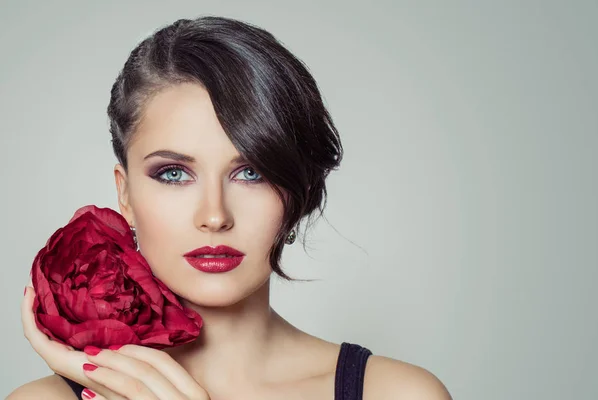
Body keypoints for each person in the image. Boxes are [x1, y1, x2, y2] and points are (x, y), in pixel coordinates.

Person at [8, 16, 451, 400]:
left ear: (294, 191)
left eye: (251, 172)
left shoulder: (397, 393)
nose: (215, 216)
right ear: (124, 195)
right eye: (174, 174)